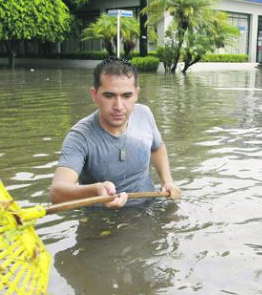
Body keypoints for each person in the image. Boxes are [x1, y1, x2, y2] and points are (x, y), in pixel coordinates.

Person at [51, 57, 181, 208]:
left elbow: (157, 147)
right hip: (102, 221)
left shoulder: (144, 114)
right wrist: (95, 190)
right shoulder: (80, 136)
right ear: (94, 95)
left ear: (136, 94)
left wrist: (167, 181)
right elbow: (56, 193)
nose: (118, 106)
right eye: (109, 95)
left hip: (148, 209)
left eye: (127, 96)